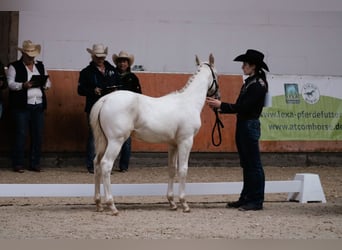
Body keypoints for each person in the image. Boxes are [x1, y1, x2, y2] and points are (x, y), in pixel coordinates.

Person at [206, 49, 269, 211]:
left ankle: (256, 200)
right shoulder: (250, 82)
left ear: (253, 66)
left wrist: (222, 106)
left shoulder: (258, 85)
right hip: (243, 124)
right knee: (246, 163)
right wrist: (221, 108)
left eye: (245, 64)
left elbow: (245, 107)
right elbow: (241, 106)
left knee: (253, 164)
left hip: (249, 124)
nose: (242, 67)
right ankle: (246, 197)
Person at [7, 40, 51, 173]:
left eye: (33, 55)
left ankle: (35, 163)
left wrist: (44, 84)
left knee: (37, 135)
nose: (31, 57)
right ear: (23, 54)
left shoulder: (41, 66)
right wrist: (23, 85)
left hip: (38, 104)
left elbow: (48, 83)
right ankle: (18, 163)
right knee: (21, 134)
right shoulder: (14, 66)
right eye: (29, 55)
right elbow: (10, 84)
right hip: (22, 105)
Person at [78, 44, 117, 174]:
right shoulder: (86, 72)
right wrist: (92, 90)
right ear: (93, 56)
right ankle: (91, 164)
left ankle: (106, 164)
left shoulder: (112, 70)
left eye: (102, 57)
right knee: (94, 136)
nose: (100, 59)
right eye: (98, 57)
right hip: (94, 106)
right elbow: (80, 90)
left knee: (108, 136)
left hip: (111, 108)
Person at [112, 51, 142, 172]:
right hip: (113, 112)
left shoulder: (133, 78)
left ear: (128, 63)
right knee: (112, 139)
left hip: (128, 113)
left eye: (124, 61)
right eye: (120, 61)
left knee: (126, 140)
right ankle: (110, 163)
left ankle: (124, 166)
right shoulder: (112, 75)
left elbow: (139, 96)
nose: (122, 63)